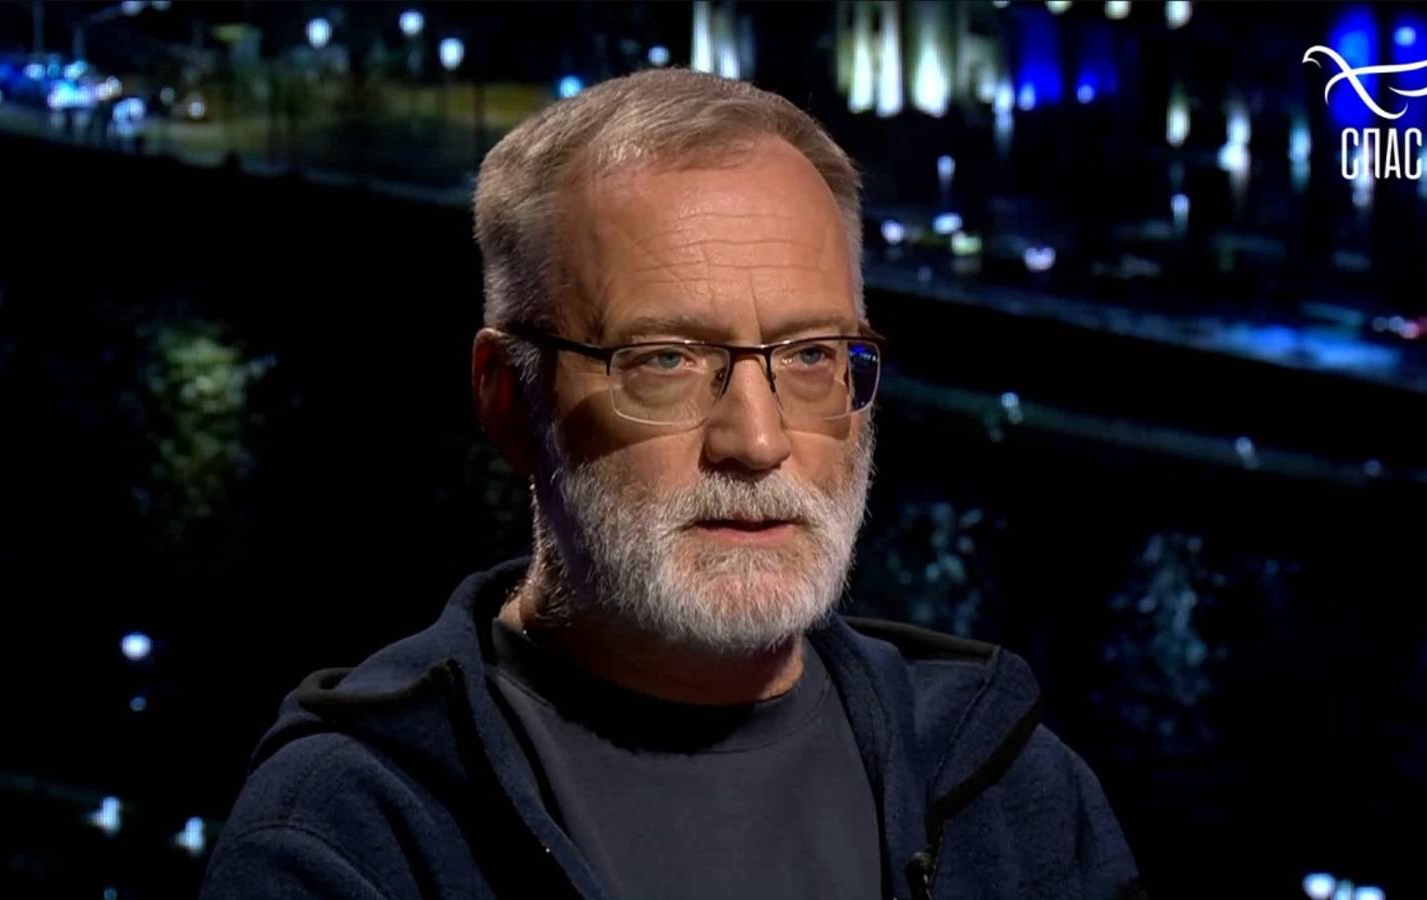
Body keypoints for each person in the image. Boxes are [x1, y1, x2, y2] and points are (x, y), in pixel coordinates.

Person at [201, 68, 1142, 900]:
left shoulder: (1008, 791)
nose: (757, 440)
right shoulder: (351, 835)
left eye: (811, 355)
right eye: (665, 361)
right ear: (507, 398)